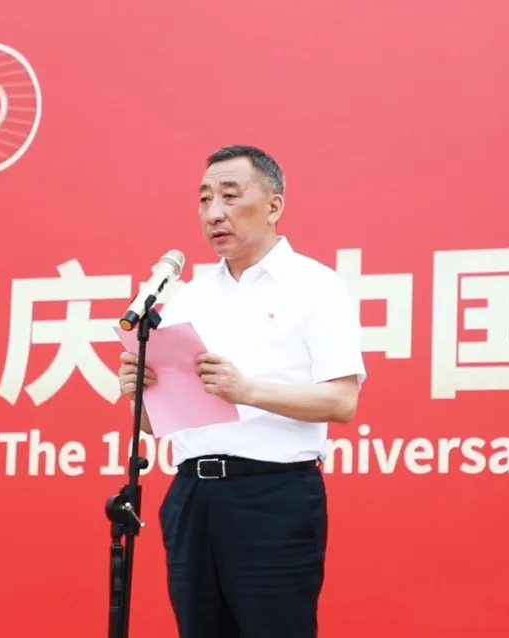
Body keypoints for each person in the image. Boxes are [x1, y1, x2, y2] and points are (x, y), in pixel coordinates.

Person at [116, 145, 367, 638]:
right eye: (205, 199)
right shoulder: (189, 297)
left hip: (271, 497)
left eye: (230, 196)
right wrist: (138, 393)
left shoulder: (315, 285)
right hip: (191, 497)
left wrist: (247, 390)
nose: (214, 212)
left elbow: (341, 402)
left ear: (273, 206)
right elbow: (156, 423)